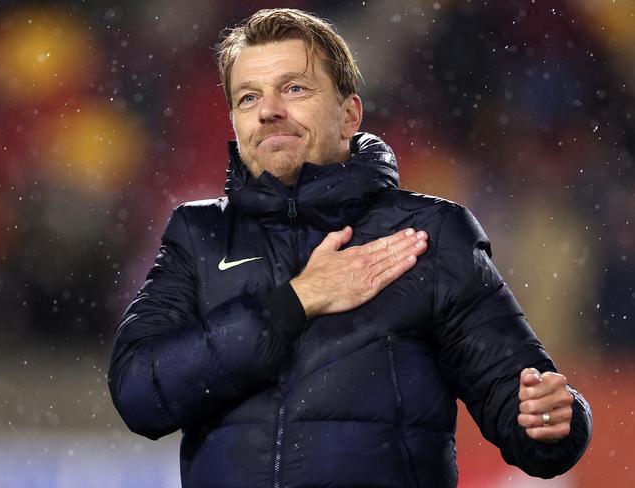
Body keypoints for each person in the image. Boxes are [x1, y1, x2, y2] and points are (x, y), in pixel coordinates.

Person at [108, 8, 592, 488]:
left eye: (294, 88)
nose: (269, 109)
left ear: (349, 115)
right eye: (248, 96)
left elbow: (525, 404)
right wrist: (293, 303)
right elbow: (138, 393)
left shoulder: (432, 233)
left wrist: (551, 419)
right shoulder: (198, 234)